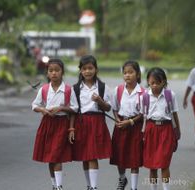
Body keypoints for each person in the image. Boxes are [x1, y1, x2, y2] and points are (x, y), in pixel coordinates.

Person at [32, 58, 78, 190]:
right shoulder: (44, 89)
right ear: (47, 73)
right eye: (51, 70)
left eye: (57, 70)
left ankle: (59, 186)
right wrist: (42, 109)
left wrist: (61, 109)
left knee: (57, 155)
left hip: (61, 124)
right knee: (50, 157)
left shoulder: (68, 90)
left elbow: (75, 108)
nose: (54, 73)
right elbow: (34, 105)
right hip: (47, 124)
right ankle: (54, 184)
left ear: (62, 72)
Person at [68, 55, 112, 190]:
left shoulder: (103, 87)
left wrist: (100, 101)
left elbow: (108, 108)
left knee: (93, 156)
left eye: (90, 68)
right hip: (81, 123)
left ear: (96, 69)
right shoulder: (75, 89)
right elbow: (73, 110)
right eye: (84, 68)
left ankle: (94, 187)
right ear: (80, 71)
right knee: (85, 157)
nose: (87, 71)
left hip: (97, 122)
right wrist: (71, 129)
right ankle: (89, 185)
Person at [141, 67, 181, 190]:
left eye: (158, 83)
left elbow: (174, 114)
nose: (155, 86)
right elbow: (144, 117)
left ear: (164, 82)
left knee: (164, 163)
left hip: (166, 130)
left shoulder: (170, 95)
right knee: (152, 165)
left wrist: (177, 130)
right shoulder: (145, 96)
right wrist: (143, 133)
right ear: (148, 81)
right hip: (151, 129)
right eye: (152, 83)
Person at [110, 60, 145, 190]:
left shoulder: (143, 92)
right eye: (125, 73)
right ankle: (122, 178)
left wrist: (130, 122)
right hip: (120, 126)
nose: (127, 75)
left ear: (138, 74)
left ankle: (134, 187)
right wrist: (117, 120)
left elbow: (143, 113)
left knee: (134, 157)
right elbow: (114, 108)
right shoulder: (118, 90)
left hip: (135, 127)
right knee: (120, 155)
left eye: (131, 72)